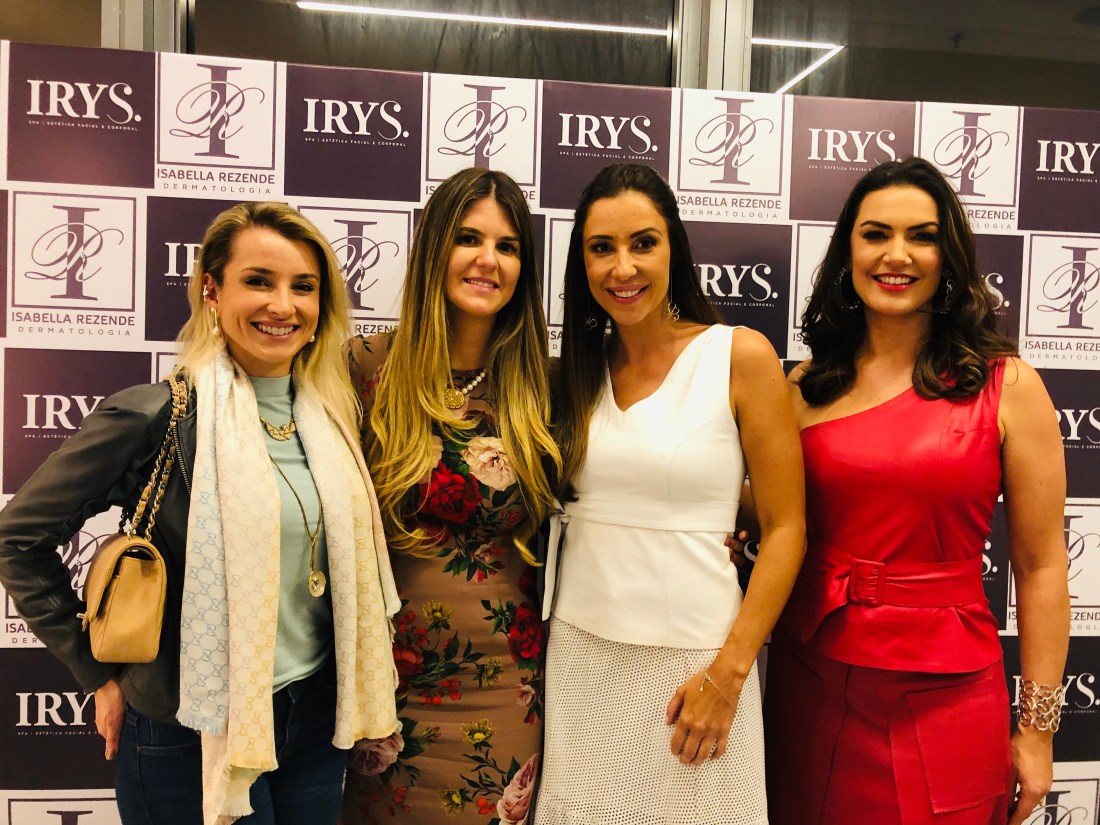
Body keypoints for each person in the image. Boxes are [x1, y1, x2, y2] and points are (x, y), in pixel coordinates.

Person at [0, 202, 401, 825]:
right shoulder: (156, 415)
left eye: (303, 286)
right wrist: (97, 673)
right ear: (212, 290)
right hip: (190, 727)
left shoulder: (332, 419)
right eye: (258, 281)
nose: (283, 305)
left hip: (315, 720)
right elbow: (17, 538)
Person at [763, 157, 1070, 825]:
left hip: (945, 697)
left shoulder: (1009, 385)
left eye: (921, 236)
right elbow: (770, 525)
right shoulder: (805, 386)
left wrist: (1038, 730)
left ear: (948, 254)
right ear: (848, 251)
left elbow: (1042, 566)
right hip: (809, 681)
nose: (896, 255)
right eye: (876, 234)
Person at [536, 163, 806, 825]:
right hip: (581, 656)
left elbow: (787, 527)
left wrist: (728, 673)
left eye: (643, 243)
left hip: (697, 667)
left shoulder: (739, 356)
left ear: (674, 249)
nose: (623, 267)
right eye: (602, 248)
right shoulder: (574, 371)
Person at [342, 168, 561, 824]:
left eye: (508, 245)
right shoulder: (363, 368)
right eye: (469, 238)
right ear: (436, 247)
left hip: (504, 688)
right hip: (381, 690)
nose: (488, 259)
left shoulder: (545, 386)